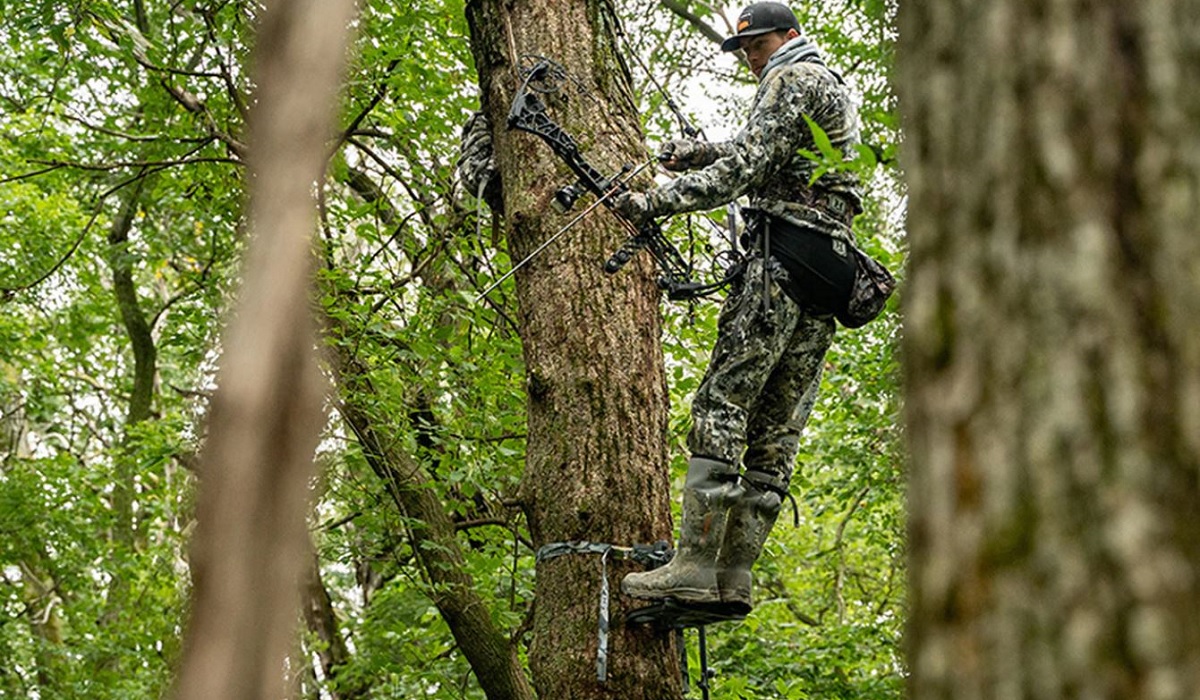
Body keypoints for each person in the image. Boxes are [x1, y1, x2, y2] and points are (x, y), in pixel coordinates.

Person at [615, 2, 863, 615]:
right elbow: (770, 151)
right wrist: (696, 154)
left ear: (790, 37)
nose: (752, 57)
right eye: (746, 48)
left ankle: (695, 568)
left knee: (722, 402)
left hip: (783, 256)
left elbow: (748, 166)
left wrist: (655, 200)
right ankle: (733, 579)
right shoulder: (827, 85)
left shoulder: (791, 76)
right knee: (777, 428)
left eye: (758, 44)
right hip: (829, 267)